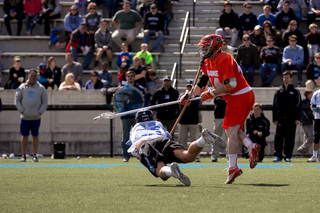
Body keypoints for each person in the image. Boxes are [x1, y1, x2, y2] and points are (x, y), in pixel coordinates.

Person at [189, 34, 261, 184]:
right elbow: (202, 82)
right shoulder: (207, 61)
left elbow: (230, 84)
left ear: (214, 46)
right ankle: (251, 146)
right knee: (234, 131)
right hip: (240, 96)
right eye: (202, 47)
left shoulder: (225, 58)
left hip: (240, 94)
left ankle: (233, 167)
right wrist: (189, 95)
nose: (202, 50)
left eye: (205, 47)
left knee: (230, 131)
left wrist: (211, 93)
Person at [126, 109, 224, 186]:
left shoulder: (134, 128)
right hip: (161, 139)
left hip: (145, 144)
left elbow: (133, 148)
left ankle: (171, 171)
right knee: (188, 156)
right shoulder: (158, 123)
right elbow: (168, 136)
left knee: (161, 171)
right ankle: (203, 139)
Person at [14, 69, 48, 162]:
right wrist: (21, 110)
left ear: (36, 77)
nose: (33, 78)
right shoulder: (21, 87)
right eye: (31, 76)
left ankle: (34, 155)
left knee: (35, 135)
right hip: (25, 117)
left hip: (36, 117)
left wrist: (40, 112)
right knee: (24, 136)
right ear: (28, 76)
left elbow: (45, 102)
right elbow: (17, 100)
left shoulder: (41, 88)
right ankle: (23, 155)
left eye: (34, 76)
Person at [272, 70, 302, 162]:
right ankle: (278, 156)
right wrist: (275, 118)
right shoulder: (279, 91)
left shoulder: (295, 91)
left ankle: (288, 156)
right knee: (278, 138)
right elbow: (275, 106)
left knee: (290, 138)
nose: (286, 79)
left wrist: (297, 118)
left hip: (291, 120)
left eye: (287, 77)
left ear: (291, 78)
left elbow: (299, 106)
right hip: (280, 119)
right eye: (284, 77)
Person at [119, 70, 147, 162]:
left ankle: (140, 155)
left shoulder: (140, 89)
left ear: (135, 77)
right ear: (126, 78)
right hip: (125, 116)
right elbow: (118, 100)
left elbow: (144, 102)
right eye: (128, 76)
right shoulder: (122, 89)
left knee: (139, 137)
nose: (130, 77)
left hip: (137, 116)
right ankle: (125, 156)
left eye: (132, 76)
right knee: (125, 137)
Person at [178, 80, 204, 162]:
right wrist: (186, 97)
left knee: (195, 140)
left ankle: (196, 157)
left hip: (193, 121)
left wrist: (190, 98)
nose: (189, 88)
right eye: (188, 86)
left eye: (191, 87)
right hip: (183, 122)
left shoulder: (197, 96)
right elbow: (180, 104)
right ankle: (182, 156)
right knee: (182, 140)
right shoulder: (182, 95)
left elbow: (195, 105)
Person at [297, 89, 314, 154]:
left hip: (306, 121)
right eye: (311, 94)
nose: (312, 95)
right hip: (306, 121)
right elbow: (307, 112)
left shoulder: (310, 101)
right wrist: (313, 118)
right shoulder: (305, 102)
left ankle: (304, 151)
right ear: (308, 95)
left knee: (307, 136)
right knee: (312, 136)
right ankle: (303, 148)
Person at [211, 96, 227, 162]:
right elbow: (216, 101)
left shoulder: (230, 92)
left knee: (229, 138)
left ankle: (230, 156)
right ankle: (214, 156)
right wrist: (225, 101)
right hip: (218, 118)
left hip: (227, 117)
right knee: (216, 137)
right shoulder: (218, 94)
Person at [307, 89, 320, 162]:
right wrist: (315, 109)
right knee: (316, 137)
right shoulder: (316, 93)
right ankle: (314, 156)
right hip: (318, 118)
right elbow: (312, 105)